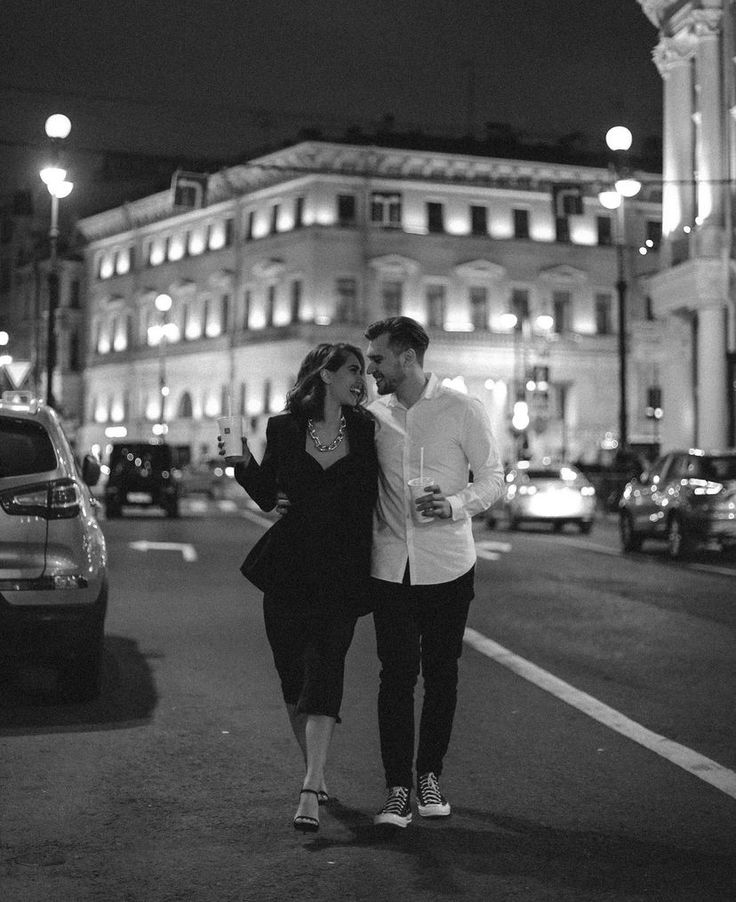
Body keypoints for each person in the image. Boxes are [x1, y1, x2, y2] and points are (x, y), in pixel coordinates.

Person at [220, 342, 377, 833]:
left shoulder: (368, 429)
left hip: (343, 571)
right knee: (293, 679)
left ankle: (310, 785)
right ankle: (318, 767)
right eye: (354, 370)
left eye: (365, 372)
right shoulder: (282, 428)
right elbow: (268, 495)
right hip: (288, 568)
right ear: (325, 376)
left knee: (325, 668)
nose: (362, 380)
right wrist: (235, 452)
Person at [364, 316, 504, 828]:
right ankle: (398, 788)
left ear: (407, 358)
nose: (372, 368)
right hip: (389, 565)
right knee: (395, 677)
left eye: (379, 358)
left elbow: (493, 478)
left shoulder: (462, 408)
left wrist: (456, 504)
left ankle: (430, 777)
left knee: (441, 675)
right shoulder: (372, 415)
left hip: (447, 563)